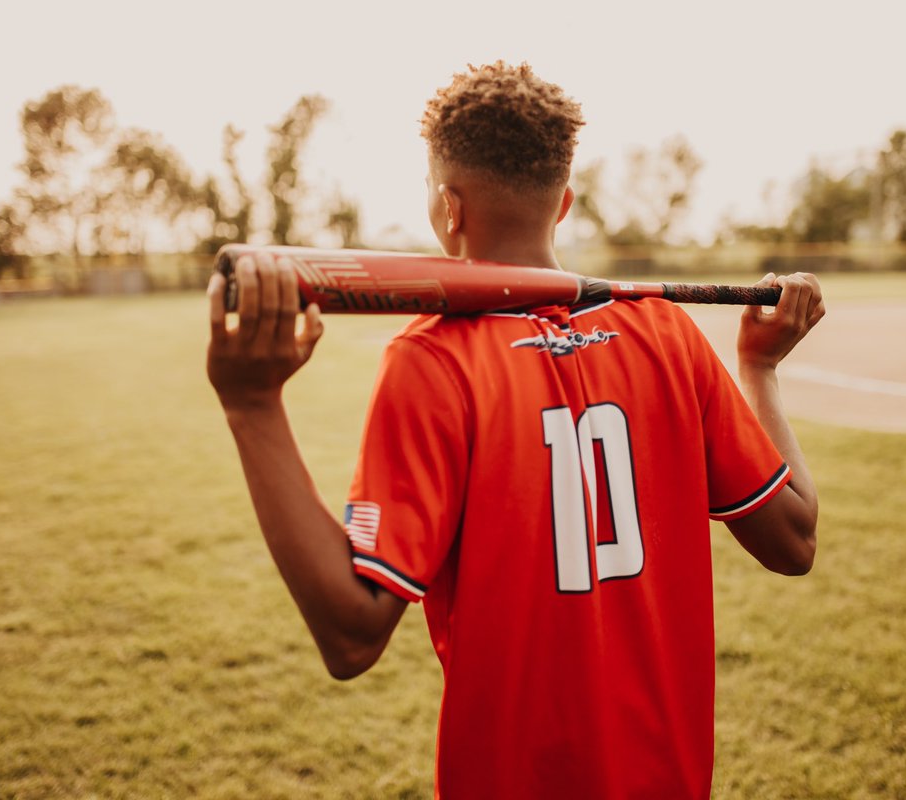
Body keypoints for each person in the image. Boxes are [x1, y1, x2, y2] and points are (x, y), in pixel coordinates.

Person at [207, 61, 825, 799]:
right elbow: (794, 539)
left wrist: (252, 405)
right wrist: (760, 371)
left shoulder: (431, 360)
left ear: (447, 208)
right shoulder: (668, 334)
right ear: (563, 203)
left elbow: (350, 634)